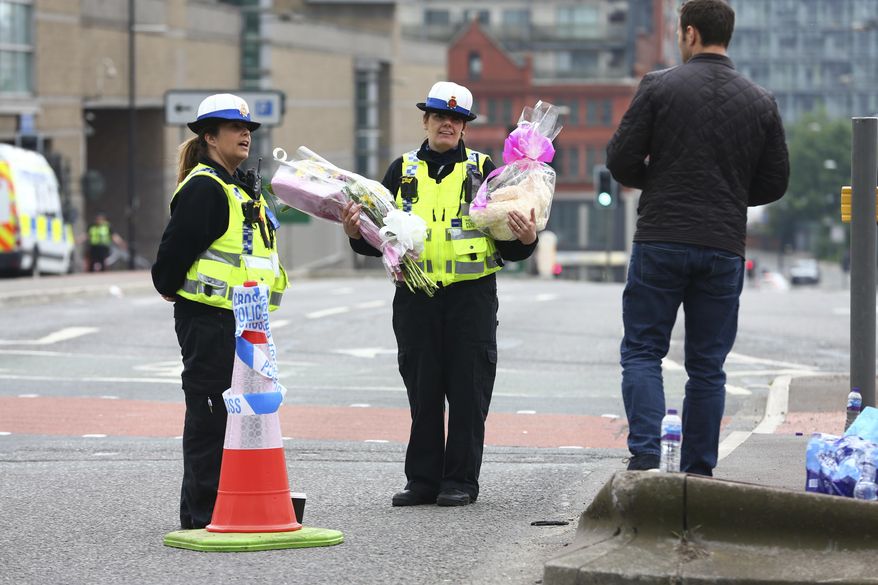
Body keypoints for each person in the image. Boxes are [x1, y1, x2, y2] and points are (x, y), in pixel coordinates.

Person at [605, 0, 789, 476]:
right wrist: (726, 194)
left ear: (689, 34)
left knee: (644, 350)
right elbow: (775, 183)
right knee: (708, 366)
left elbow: (621, 160)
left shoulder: (659, 86)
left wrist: (663, 181)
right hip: (723, 243)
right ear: (726, 35)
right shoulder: (760, 100)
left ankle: (646, 455)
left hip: (662, 237)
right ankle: (698, 471)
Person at [342, 81, 538, 507]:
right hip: (416, 296)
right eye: (439, 117)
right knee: (423, 390)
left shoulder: (487, 171)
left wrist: (525, 239)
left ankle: (460, 482)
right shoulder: (400, 171)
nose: (447, 124)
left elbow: (510, 242)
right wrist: (355, 231)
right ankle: (423, 481)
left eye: (456, 119)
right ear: (426, 121)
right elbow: (376, 238)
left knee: (468, 392)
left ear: (464, 127)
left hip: (471, 297)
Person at [151, 93, 288, 529]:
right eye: (234, 127)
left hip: (244, 323)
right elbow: (169, 259)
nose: (245, 133)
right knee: (211, 417)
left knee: (239, 417)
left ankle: (228, 505)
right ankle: (200, 514)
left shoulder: (238, 185)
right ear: (209, 136)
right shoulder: (205, 188)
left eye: (247, 128)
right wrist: (172, 288)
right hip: (209, 320)